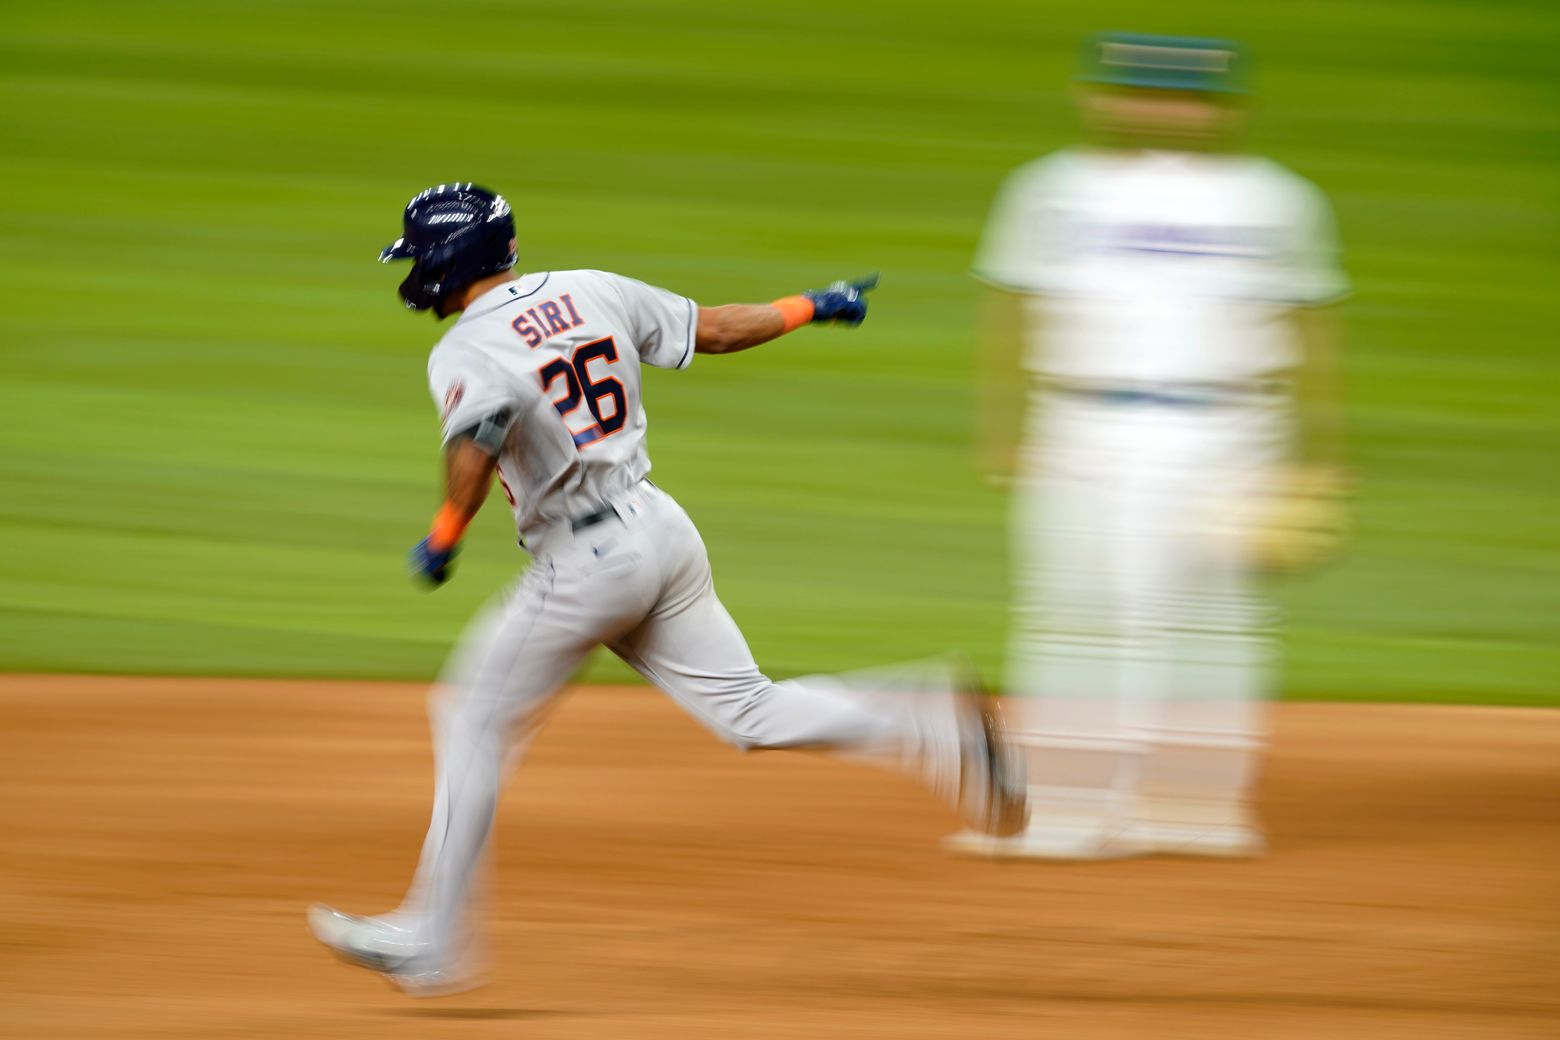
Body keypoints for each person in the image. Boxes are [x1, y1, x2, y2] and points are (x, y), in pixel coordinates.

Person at [308, 182, 1027, 994]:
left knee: (470, 716)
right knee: (750, 711)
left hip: (585, 566)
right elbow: (715, 330)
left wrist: (443, 535)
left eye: (418, 258)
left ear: (446, 260)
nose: (413, 276)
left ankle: (432, 944)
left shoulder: (465, 349)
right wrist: (813, 304)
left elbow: (477, 442)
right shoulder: (591, 287)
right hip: (663, 532)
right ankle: (936, 726)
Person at [946, 34, 1348, 860]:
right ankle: (1070, 814)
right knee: (1074, 617)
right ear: (1100, 95)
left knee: (1218, 622)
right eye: (1142, 89)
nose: (1164, 107)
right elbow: (1010, 305)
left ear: (1224, 107)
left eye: (1185, 94)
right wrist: (1004, 428)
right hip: (1080, 425)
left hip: (1236, 430)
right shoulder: (1049, 189)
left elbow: (1313, 323)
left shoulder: (1279, 200)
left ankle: (1202, 812)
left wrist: (1320, 453)